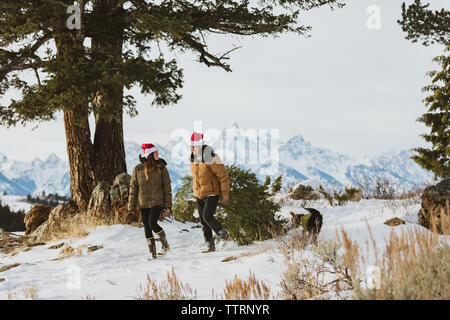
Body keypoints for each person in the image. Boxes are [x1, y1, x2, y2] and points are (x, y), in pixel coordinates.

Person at [128, 143, 172, 259]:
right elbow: (133, 188)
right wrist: (131, 206)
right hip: (143, 203)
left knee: (152, 223)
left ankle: (165, 244)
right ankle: (153, 254)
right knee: (147, 227)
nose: (158, 154)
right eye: (156, 152)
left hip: (158, 201)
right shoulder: (138, 169)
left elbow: (167, 187)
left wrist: (168, 206)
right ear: (150, 155)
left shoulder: (161, 168)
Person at [190, 132, 230, 253]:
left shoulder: (212, 157)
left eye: (194, 145)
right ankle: (210, 246)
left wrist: (225, 192)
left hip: (212, 192)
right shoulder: (193, 158)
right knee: (203, 221)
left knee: (207, 216)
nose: (192, 148)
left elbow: (223, 175)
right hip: (199, 194)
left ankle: (223, 234)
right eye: (191, 145)